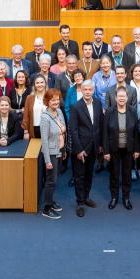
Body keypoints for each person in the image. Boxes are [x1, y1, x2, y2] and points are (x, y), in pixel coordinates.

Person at [103, 86, 140, 210]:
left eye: (124, 96)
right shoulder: (109, 112)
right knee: (114, 174)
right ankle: (114, 197)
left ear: (127, 97)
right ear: (115, 97)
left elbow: (136, 131)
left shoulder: (133, 111)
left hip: (128, 148)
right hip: (114, 149)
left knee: (127, 174)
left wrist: (136, 149)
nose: (122, 98)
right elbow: (105, 132)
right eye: (119, 96)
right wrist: (106, 151)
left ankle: (126, 198)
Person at [69, 80, 102, 217]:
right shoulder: (76, 106)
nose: (88, 92)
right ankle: (80, 203)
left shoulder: (98, 103)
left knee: (89, 174)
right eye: (85, 90)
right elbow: (73, 130)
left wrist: (100, 144)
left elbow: (100, 124)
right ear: (82, 91)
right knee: (79, 176)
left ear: (93, 90)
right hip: (81, 148)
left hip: (94, 146)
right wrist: (78, 150)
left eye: (90, 89)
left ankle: (86, 197)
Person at [40, 89, 67, 219]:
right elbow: (44, 140)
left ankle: (50, 202)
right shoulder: (45, 117)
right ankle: (46, 208)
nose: (56, 102)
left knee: (55, 178)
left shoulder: (60, 112)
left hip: (60, 150)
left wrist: (64, 150)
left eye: (57, 99)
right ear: (47, 101)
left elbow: (63, 132)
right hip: (50, 153)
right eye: (53, 100)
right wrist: (47, 160)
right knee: (51, 180)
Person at [22, 74, 49, 139]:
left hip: (48, 129)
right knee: (35, 148)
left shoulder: (50, 97)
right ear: (34, 85)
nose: (40, 85)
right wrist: (26, 132)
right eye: (37, 83)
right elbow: (26, 116)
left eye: (42, 82)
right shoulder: (29, 98)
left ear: (45, 84)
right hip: (34, 129)